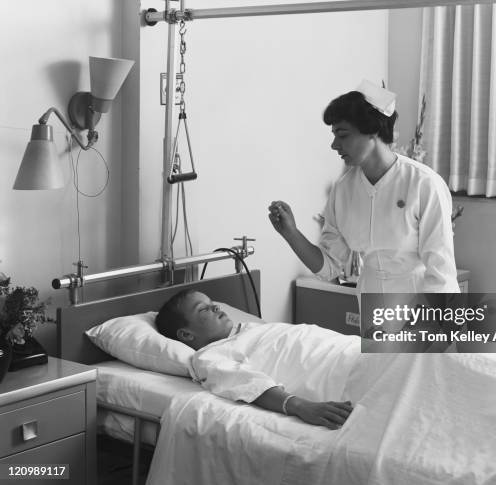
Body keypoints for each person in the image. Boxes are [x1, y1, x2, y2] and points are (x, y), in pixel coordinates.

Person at [268, 80, 459, 296]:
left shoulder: (423, 183)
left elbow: (441, 272)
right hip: (370, 299)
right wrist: (291, 233)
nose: (334, 145)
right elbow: (329, 266)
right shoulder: (343, 190)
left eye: (343, 135)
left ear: (372, 131)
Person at [155, 289, 355, 430]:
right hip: (340, 368)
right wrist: (301, 406)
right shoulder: (209, 356)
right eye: (204, 309)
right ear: (186, 335)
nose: (215, 308)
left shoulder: (249, 329)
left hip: (349, 348)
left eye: (212, 304)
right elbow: (247, 383)